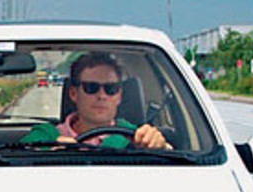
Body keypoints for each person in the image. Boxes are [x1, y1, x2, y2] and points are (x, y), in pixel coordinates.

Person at [22, 52, 169, 148]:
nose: (102, 95)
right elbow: (16, 158)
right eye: (91, 87)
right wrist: (48, 154)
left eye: (110, 89)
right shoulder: (46, 135)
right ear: (73, 94)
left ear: (119, 96)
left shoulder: (137, 138)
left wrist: (160, 146)